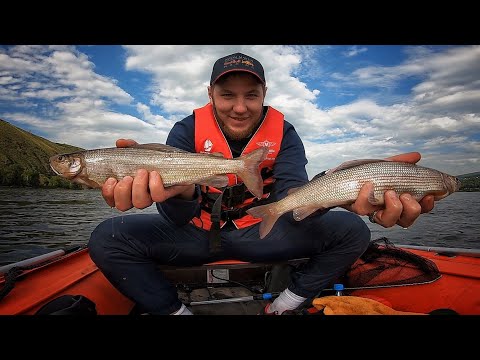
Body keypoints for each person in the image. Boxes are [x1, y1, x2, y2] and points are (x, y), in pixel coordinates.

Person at [88, 52, 435, 315]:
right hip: (193, 234)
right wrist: (182, 193)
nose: (240, 107)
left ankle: (288, 301)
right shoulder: (186, 130)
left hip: (263, 234)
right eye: (227, 95)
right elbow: (176, 217)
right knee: (107, 236)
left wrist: (336, 195)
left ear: (264, 92)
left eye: (251, 95)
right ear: (211, 94)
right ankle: (175, 311)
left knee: (353, 229)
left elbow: (291, 197)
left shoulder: (284, 133)